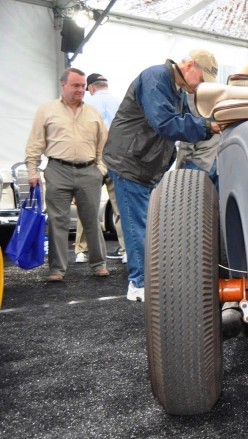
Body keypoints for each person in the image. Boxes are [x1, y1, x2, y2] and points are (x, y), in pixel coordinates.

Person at [103, 50, 221, 302]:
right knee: (138, 226)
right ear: (189, 66)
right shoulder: (156, 78)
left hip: (143, 164)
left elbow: (174, 122)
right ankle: (139, 283)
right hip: (130, 163)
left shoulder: (172, 86)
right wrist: (206, 127)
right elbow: (166, 123)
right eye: (202, 79)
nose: (201, 86)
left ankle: (147, 280)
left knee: (147, 225)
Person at [25, 68, 109, 282]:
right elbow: (35, 143)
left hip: (89, 171)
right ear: (63, 85)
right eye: (76, 85)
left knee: (92, 220)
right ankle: (57, 270)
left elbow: (104, 145)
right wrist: (32, 170)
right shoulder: (47, 110)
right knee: (57, 222)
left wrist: (100, 169)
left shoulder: (92, 113)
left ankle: (99, 264)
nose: (81, 89)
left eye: (82, 85)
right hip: (57, 170)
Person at [75, 73, 127, 264]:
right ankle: (126, 250)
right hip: (117, 159)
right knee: (120, 205)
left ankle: (82, 251)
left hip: (91, 160)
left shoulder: (84, 105)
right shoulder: (121, 102)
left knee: (86, 205)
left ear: (91, 87)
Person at [176, 94, 220, 190]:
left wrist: (179, 169)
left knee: (188, 202)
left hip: (198, 163)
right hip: (218, 162)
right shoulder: (219, 98)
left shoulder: (191, 100)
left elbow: (187, 137)